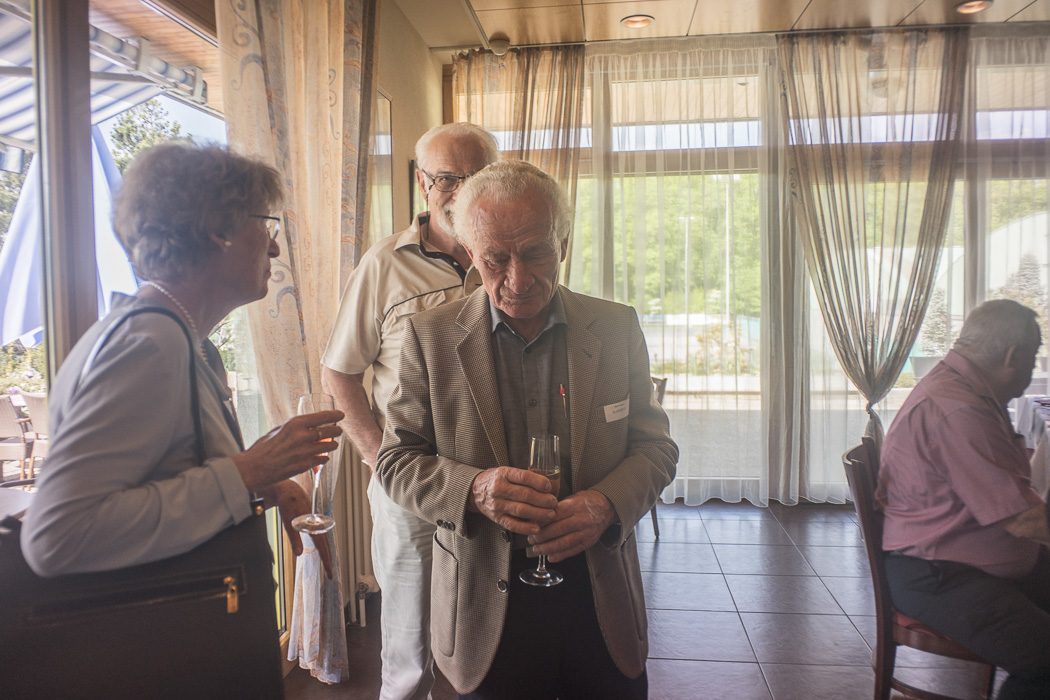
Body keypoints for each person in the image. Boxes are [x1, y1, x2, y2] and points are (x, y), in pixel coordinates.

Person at [375, 160, 678, 699]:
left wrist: (606, 504)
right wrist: (473, 490)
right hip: (482, 607)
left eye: (536, 252)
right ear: (470, 253)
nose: (517, 280)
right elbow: (395, 462)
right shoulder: (429, 337)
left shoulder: (616, 328)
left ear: (563, 242)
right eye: (495, 258)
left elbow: (655, 448)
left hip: (600, 596)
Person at [22, 143, 341, 578]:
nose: (274, 248)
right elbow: (57, 535)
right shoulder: (151, 345)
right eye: (265, 225)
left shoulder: (178, 339)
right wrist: (248, 472)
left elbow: (168, 476)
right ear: (218, 230)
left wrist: (271, 485)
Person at [321, 123, 499, 700]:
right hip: (412, 482)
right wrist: (382, 460)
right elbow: (339, 373)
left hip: (492, 479)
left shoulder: (505, 257)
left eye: (477, 175)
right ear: (423, 183)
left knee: (491, 629)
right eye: (448, 178)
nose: (462, 189)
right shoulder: (383, 265)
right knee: (410, 648)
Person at [877, 299, 1050, 700]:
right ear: (1012, 356)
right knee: (1044, 662)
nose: (1035, 368)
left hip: (959, 559)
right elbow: (1023, 520)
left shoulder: (960, 387)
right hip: (938, 575)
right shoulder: (959, 408)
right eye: (1035, 357)